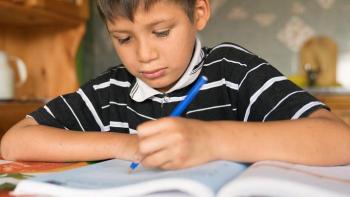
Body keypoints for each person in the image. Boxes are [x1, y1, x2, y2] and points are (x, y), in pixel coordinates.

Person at [1, 0, 350, 170]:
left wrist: (211, 140)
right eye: (123, 38)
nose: (144, 55)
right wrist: (130, 146)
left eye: (161, 32)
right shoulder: (111, 91)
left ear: (198, 13)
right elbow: (16, 141)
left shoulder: (230, 69)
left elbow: (339, 140)